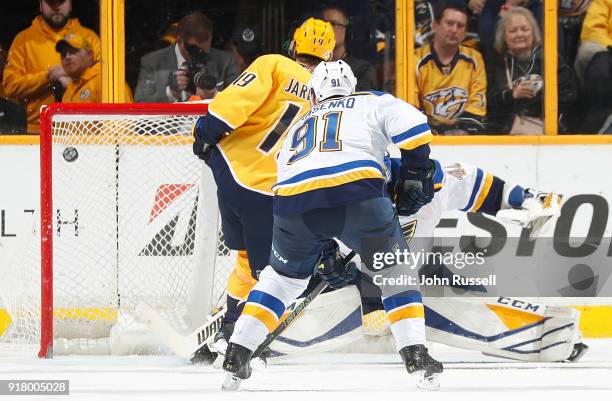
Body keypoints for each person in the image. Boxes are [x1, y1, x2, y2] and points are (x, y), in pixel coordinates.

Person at [221, 61, 442, 391]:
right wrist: (415, 173)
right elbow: (414, 128)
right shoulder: (372, 100)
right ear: (351, 86)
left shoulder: (298, 127)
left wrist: (323, 248)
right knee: (394, 273)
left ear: (313, 94)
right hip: (358, 194)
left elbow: (298, 183)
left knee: (281, 281)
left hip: (292, 205)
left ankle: (237, 352)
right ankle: (416, 353)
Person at [190, 18, 336, 365]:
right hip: (270, 190)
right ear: (329, 56)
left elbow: (232, 106)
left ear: (294, 45)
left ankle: (227, 327)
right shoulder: (327, 91)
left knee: (246, 261)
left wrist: (204, 133)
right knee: (271, 274)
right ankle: (241, 336)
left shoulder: (275, 64)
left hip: (231, 173)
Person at [2, 0, 101, 133]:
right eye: (51, 2)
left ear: (70, 4)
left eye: (61, 2)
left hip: (82, 131)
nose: (56, 7)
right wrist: (48, 77)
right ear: (40, 5)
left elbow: (104, 75)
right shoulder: (23, 40)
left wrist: (73, 82)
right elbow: (9, 87)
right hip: (34, 132)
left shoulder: (89, 38)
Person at [486, 7, 578, 134]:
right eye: (513, 31)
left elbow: (570, 94)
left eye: (525, 29)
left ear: (533, 33)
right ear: (504, 37)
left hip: (548, 131)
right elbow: (489, 103)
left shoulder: (549, 58)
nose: (519, 34)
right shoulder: (497, 63)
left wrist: (538, 96)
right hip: (508, 133)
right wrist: (512, 94)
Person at [414, 2, 487, 135]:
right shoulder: (416, 60)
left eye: (460, 26)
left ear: (464, 33)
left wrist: (461, 130)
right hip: (427, 135)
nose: (454, 30)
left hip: (463, 134)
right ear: (435, 26)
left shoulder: (475, 59)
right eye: (449, 23)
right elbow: (411, 108)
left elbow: (477, 109)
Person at [134, 12, 239, 103]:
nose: (201, 54)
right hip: (169, 126)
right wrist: (171, 92)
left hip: (209, 125)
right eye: (195, 50)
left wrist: (214, 96)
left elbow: (239, 100)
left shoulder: (225, 61)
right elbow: (140, 104)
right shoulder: (153, 62)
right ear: (180, 41)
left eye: (206, 50)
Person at [55, 34, 133, 103]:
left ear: (90, 55)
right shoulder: (67, 93)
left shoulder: (107, 82)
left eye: (73, 51)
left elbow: (121, 118)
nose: (67, 57)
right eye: (63, 54)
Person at [321, 5, 378, 91]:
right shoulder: (312, 64)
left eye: (333, 24)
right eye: (323, 24)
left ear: (347, 31)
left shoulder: (362, 69)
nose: (326, 28)